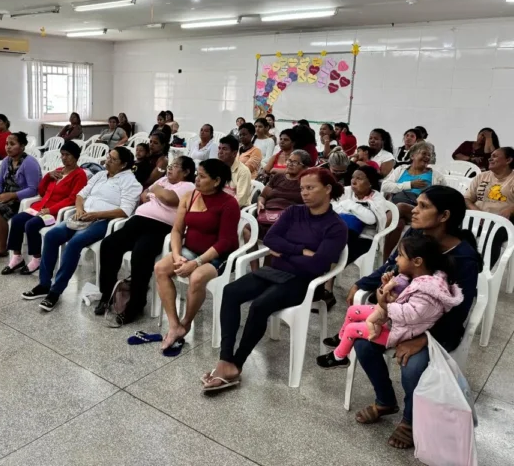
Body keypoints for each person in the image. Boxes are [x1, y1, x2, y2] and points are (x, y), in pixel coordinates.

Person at [330, 186, 481, 449]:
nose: (414, 210)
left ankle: (410, 420)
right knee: (364, 344)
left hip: (438, 328)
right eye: (417, 204)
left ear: (444, 216)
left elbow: (458, 310)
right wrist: (365, 283)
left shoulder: (463, 256)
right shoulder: (415, 233)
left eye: (423, 206)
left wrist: (422, 339)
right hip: (402, 317)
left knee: (411, 365)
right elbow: (391, 265)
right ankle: (385, 400)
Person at [202, 168, 347, 392]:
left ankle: (236, 365)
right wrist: (302, 251)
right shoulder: (294, 212)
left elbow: (318, 265)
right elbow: (270, 238)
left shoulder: (336, 227)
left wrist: (286, 252)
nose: (304, 193)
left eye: (310, 188)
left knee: (260, 306)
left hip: (304, 282)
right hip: (274, 272)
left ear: (327, 189)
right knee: (230, 292)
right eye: (302, 188)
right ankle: (225, 359)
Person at [21, 147, 142, 311]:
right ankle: (44, 285)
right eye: (108, 157)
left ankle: (56, 291)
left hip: (103, 221)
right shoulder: (100, 175)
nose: (107, 161)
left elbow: (125, 211)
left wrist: (95, 215)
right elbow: (80, 195)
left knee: (74, 243)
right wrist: (79, 210)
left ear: (123, 164)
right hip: (82, 216)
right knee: (51, 236)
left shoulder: (131, 182)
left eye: (113, 160)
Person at [317, 234, 463, 369]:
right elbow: (400, 297)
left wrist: (385, 305)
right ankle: (342, 339)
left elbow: (411, 315)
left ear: (417, 261)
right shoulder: (414, 276)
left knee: (352, 329)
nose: (396, 259)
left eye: (400, 255)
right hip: (393, 319)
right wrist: (386, 286)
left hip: (400, 331)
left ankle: (339, 357)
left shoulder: (428, 292)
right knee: (352, 311)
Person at [96, 156, 197, 325]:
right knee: (109, 245)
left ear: (186, 172)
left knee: (140, 254)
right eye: (170, 166)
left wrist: (156, 190)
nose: (170, 169)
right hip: (139, 220)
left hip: (161, 227)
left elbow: (169, 198)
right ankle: (107, 294)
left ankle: (136, 304)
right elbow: (143, 196)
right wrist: (157, 191)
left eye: (175, 166)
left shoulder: (188, 186)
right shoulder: (164, 180)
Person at [155, 159, 241, 352]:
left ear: (217, 180)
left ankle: (185, 323)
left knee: (197, 278)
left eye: (202, 176)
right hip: (190, 250)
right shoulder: (190, 196)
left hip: (219, 255)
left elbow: (225, 241)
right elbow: (177, 231)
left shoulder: (229, 203)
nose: (197, 179)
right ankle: (174, 324)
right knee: (160, 268)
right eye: (197, 175)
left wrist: (196, 263)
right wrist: (177, 256)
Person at [2, 140, 87, 275]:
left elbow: (72, 199)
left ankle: (37, 259)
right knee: (17, 220)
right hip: (39, 207)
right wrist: (48, 176)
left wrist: (51, 210)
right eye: (62, 154)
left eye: (67, 155)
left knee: (31, 225)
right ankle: (17, 257)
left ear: (76, 157)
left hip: (55, 213)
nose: (64, 158)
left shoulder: (80, 174)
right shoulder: (59, 171)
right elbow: (41, 191)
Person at [0, 132, 42, 257]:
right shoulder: (6, 161)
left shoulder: (29, 163)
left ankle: (2, 248)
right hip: (5, 196)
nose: (8, 147)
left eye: (12, 144)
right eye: (6, 144)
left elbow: (33, 189)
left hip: (21, 200)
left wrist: (12, 195)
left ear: (22, 146)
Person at [382, 143, 446, 258]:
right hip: (397, 208)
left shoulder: (436, 176)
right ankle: (386, 262)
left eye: (429, 155)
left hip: (419, 209)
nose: (427, 157)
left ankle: (380, 231)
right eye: (424, 153)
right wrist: (409, 185)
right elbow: (385, 186)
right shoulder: (400, 170)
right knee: (398, 224)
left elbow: (444, 195)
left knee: (400, 207)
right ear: (412, 156)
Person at [465, 146, 514, 266]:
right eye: (491, 156)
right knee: (459, 231)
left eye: (495, 156)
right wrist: (478, 213)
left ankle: (483, 272)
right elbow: (467, 198)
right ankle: (462, 266)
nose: (490, 159)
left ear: (508, 160)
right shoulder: (482, 176)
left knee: (492, 236)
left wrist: (511, 209)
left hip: (502, 221)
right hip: (479, 218)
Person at [333, 165, 387, 265]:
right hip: (341, 229)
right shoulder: (346, 191)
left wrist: (349, 204)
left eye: (359, 178)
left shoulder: (377, 198)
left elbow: (370, 219)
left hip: (365, 237)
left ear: (370, 183)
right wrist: (354, 211)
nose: (353, 181)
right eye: (353, 177)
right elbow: (331, 206)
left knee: (341, 252)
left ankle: (330, 275)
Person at [256, 149, 310, 237]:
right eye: (289, 160)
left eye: (295, 162)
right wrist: (260, 203)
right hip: (267, 216)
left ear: (305, 167)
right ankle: (255, 251)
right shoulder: (278, 177)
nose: (290, 164)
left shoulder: (306, 182)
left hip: (288, 221)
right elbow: (262, 196)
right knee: (246, 228)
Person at [217, 134, 252, 208]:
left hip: (235, 209)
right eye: (219, 148)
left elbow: (240, 200)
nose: (220, 152)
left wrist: (220, 208)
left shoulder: (243, 171)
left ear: (234, 153)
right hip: (218, 205)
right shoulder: (216, 166)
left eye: (224, 149)